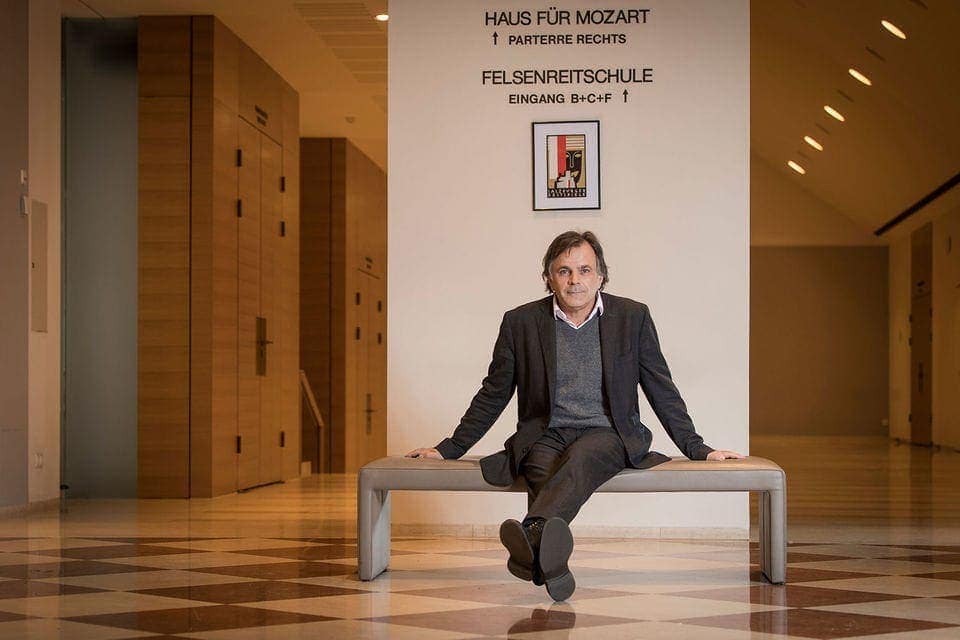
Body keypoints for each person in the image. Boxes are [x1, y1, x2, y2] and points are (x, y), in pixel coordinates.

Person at [406, 230, 743, 601]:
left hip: (608, 433)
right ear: (549, 277)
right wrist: (448, 448)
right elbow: (494, 392)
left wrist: (698, 448)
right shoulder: (520, 322)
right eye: (563, 271)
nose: (575, 280)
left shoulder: (632, 317)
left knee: (583, 456)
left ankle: (531, 533)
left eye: (584, 270)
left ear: (601, 276)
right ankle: (550, 564)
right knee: (539, 464)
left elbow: (661, 388)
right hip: (546, 432)